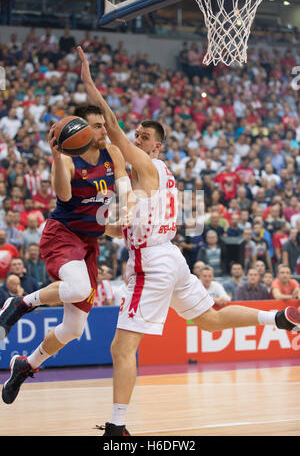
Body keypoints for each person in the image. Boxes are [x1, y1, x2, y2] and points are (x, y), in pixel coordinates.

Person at [78, 46, 300, 437]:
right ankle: (279, 318)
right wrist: (94, 227)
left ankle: (117, 427)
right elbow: (122, 227)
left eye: (144, 137)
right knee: (210, 321)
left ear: (156, 147)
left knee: (121, 348)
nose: (137, 138)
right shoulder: (151, 176)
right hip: (169, 257)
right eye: (138, 134)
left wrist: (91, 85)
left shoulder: (146, 165)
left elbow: (111, 126)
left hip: (152, 262)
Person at [0, 104, 134, 405]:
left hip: (89, 242)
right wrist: (58, 156)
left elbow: (123, 183)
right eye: (97, 126)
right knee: (78, 287)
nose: (103, 130)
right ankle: (22, 302)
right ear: (81, 131)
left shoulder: (112, 153)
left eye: (103, 125)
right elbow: (62, 195)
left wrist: (128, 210)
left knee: (73, 328)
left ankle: (26, 364)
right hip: (63, 234)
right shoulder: (68, 159)